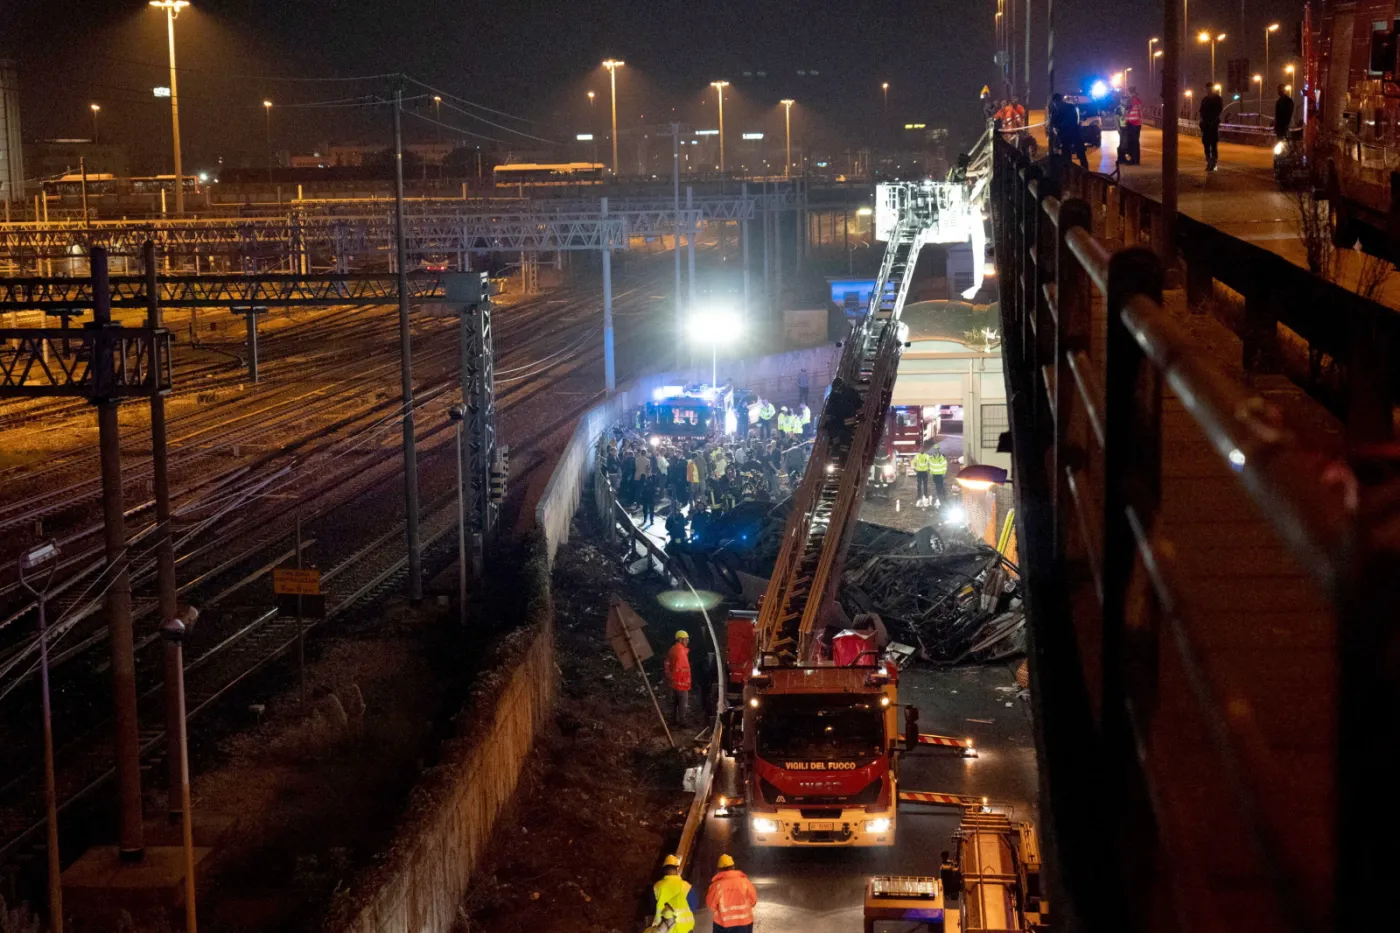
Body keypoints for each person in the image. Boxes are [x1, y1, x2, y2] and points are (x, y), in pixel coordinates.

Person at [706, 854, 759, 933]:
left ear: (719, 869)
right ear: (733, 867)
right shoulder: (745, 882)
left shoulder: (716, 886)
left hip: (723, 925)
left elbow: (711, 906)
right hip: (745, 924)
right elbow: (753, 902)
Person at [654, 855, 696, 933]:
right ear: (677, 868)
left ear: (664, 870)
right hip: (684, 930)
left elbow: (652, 908)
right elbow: (693, 907)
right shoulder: (685, 886)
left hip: (664, 929)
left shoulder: (657, 886)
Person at [1050, 93, 1089, 170]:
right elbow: (1076, 119)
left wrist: (1058, 129)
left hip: (1065, 135)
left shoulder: (1056, 110)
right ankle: (1085, 171)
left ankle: (1069, 171)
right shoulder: (1071, 107)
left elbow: (1053, 123)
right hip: (1075, 133)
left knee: (1067, 155)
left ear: (1055, 101)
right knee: (1081, 153)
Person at [664, 630, 692, 725]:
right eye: (686, 639)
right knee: (682, 702)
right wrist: (686, 682)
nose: (687, 641)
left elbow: (668, 664)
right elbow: (683, 668)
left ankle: (672, 720)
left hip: (673, 681)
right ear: (680, 639)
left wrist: (670, 677)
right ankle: (682, 721)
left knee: (673, 702)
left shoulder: (673, 649)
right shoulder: (681, 651)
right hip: (681, 682)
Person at [1199, 83, 1224, 171]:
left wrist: (1212, 120)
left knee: (1213, 144)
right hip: (1206, 125)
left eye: (1210, 88)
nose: (1208, 90)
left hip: (1213, 125)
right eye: (1207, 88)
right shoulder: (1205, 99)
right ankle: (1209, 161)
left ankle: (1213, 162)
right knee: (1206, 144)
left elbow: (1219, 111)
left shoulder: (1217, 99)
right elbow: (1201, 111)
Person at [1118, 87, 1143, 165]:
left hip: (1132, 123)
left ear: (1130, 92)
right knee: (1136, 142)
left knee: (1132, 142)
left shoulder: (1132, 100)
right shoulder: (1138, 100)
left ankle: (1133, 159)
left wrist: (1123, 118)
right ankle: (1136, 160)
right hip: (1138, 123)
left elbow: (1127, 109)